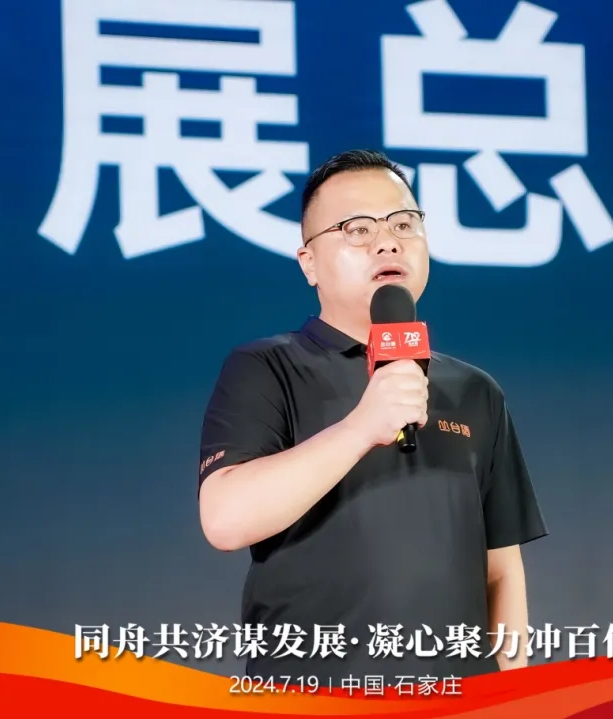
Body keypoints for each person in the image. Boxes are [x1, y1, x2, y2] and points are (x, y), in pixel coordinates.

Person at [197, 149, 548, 684]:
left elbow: (500, 568)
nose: (388, 241)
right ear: (309, 263)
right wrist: (361, 427)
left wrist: (511, 691)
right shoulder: (267, 367)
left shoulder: (475, 391)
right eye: (357, 229)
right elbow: (225, 519)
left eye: (404, 223)